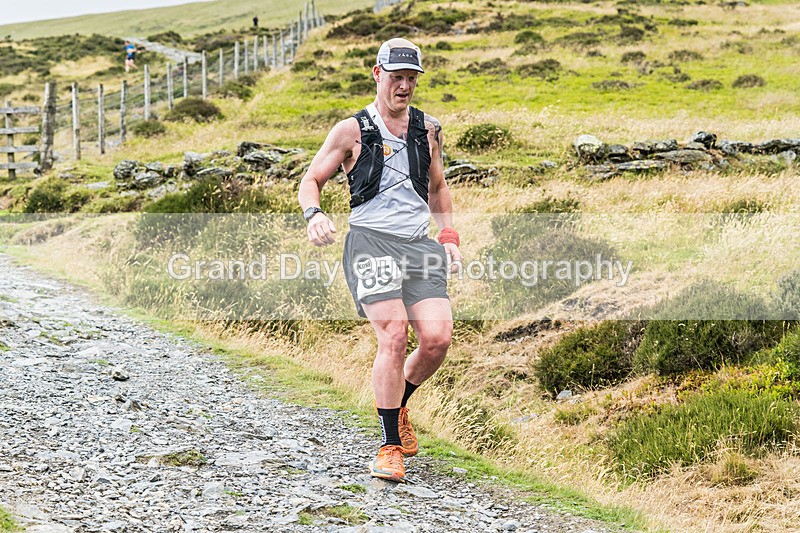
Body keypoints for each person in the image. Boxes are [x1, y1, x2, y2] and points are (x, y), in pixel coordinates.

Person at [298, 37, 462, 483]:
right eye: (397, 78)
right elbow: (311, 179)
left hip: (419, 245)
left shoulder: (429, 129)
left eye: (411, 79)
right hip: (370, 243)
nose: (404, 87)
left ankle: (399, 406)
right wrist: (314, 215)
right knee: (393, 335)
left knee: (437, 339)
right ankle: (389, 446)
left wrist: (448, 235)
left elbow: (438, 186)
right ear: (377, 75)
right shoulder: (350, 130)